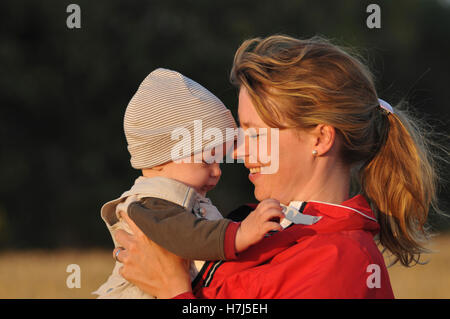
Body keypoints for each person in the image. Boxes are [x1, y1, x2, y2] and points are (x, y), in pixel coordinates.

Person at [113, 35, 442, 298]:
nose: (238, 152)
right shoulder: (259, 226)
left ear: (321, 139)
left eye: (255, 134)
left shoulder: (343, 262)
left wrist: (173, 290)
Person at [93, 68, 285, 298]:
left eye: (219, 161)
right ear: (160, 159)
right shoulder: (149, 204)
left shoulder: (177, 202)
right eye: (207, 161)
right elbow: (187, 236)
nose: (217, 172)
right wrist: (240, 233)